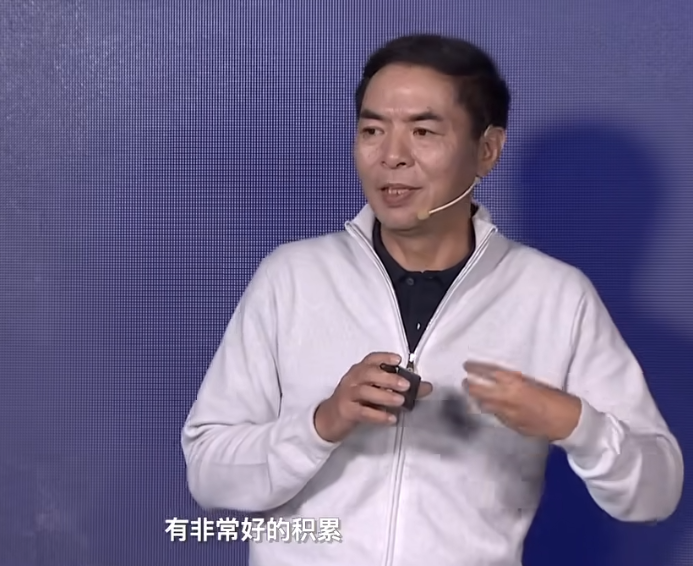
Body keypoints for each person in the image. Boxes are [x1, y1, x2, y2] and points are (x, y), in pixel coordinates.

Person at [181, 34, 683, 566]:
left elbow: (656, 493)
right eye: (372, 130)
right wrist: (322, 423)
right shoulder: (293, 277)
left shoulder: (555, 295)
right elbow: (208, 475)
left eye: (422, 132)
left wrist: (574, 424)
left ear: (487, 150)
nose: (392, 157)